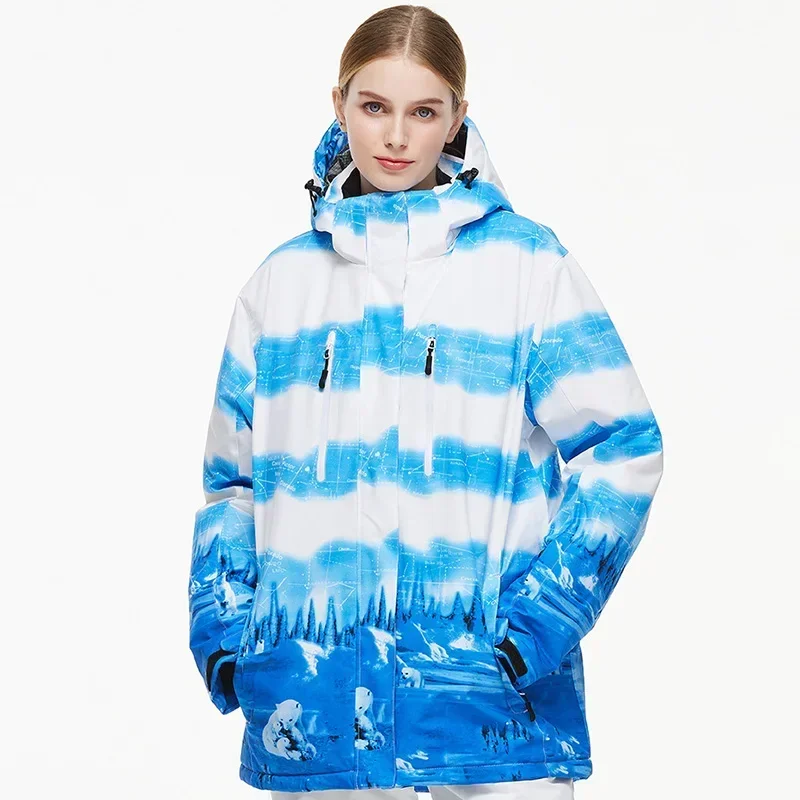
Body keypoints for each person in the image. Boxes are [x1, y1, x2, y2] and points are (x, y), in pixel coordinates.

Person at [187, 5, 664, 798]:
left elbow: (624, 448)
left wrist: (535, 627)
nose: (396, 137)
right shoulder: (281, 286)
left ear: (457, 118)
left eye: (423, 112)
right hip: (317, 716)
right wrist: (231, 643)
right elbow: (231, 486)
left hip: (490, 714)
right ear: (340, 104)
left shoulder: (527, 267)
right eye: (375, 106)